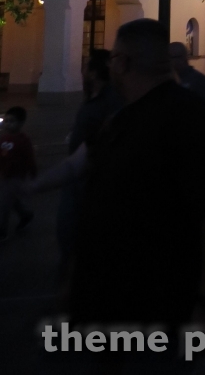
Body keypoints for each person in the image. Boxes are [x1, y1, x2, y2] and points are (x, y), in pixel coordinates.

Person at [68, 19, 205, 330]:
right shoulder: (122, 117)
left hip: (156, 304)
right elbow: (84, 160)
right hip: (111, 302)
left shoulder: (188, 117)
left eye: (114, 58)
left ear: (124, 62)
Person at [56, 50, 121, 278]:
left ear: (93, 72)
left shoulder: (111, 100)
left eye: (86, 67)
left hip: (91, 177)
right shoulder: (93, 99)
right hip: (81, 174)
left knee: (77, 230)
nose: (82, 71)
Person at [0, 106, 37, 241]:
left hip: (15, 177)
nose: (8, 124)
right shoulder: (4, 139)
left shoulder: (23, 141)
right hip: (5, 175)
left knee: (4, 204)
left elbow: (30, 158)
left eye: (12, 121)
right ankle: (25, 215)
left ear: (21, 124)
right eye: (7, 121)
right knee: (10, 200)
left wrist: (33, 173)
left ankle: (2, 231)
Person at [170, 41, 205, 114]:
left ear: (183, 57)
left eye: (172, 57)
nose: (169, 61)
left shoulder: (200, 81)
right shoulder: (166, 80)